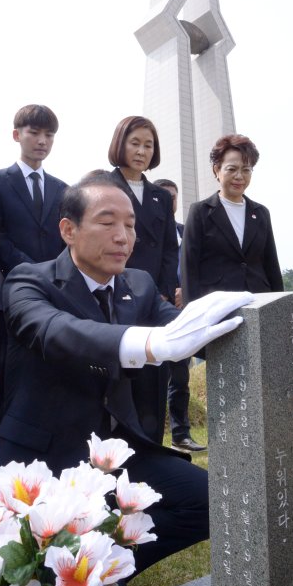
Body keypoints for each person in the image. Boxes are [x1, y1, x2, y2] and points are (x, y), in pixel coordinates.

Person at [0, 173, 250, 586]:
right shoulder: (30, 281)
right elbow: (55, 332)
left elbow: (187, 332)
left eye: (130, 225)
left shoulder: (140, 285)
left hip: (118, 454)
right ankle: (60, 575)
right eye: (107, 222)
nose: (123, 236)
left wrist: (248, 318)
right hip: (47, 465)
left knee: (212, 502)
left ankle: (108, 561)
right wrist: (148, 343)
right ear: (68, 230)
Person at [0, 104, 67, 426]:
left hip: (54, 296)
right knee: (12, 374)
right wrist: (34, 271)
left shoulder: (63, 188)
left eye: (49, 134)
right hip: (10, 294)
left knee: (51, 373)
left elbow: (67, 238)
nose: (42, 141)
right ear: (17, 135)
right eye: (34, 133)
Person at [108, 116, 178, 442]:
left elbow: (168, 250)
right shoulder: (103, 187)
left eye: (148, 145)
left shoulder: (161, 197)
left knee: (153, 374)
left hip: (152, 300)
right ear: (120, 144)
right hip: (114, 292)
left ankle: (152, 445)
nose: (141, 151)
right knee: (120, 376)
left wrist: (162, 292)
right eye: (135, 142)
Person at [181, 134, 283, 304]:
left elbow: (271, 265)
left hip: (259, 300)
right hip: (217, 303)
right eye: (231, 169)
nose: (239, 176)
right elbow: (189, 267)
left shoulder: (261, 212)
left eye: (246, 169)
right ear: (217, 170)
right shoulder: (200, 211)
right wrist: (191, 312)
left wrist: (280, 308)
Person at [154, 178, 206, 454]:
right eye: (163, 195)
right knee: (150, 378)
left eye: (173, 196)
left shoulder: (186, 231)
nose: (169, 201)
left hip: (183, 312)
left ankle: (180, 435)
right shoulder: (143, 231)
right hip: (151, 311)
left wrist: (187, 292)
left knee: (180, 378)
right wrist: (158, 295)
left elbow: (198, 267)